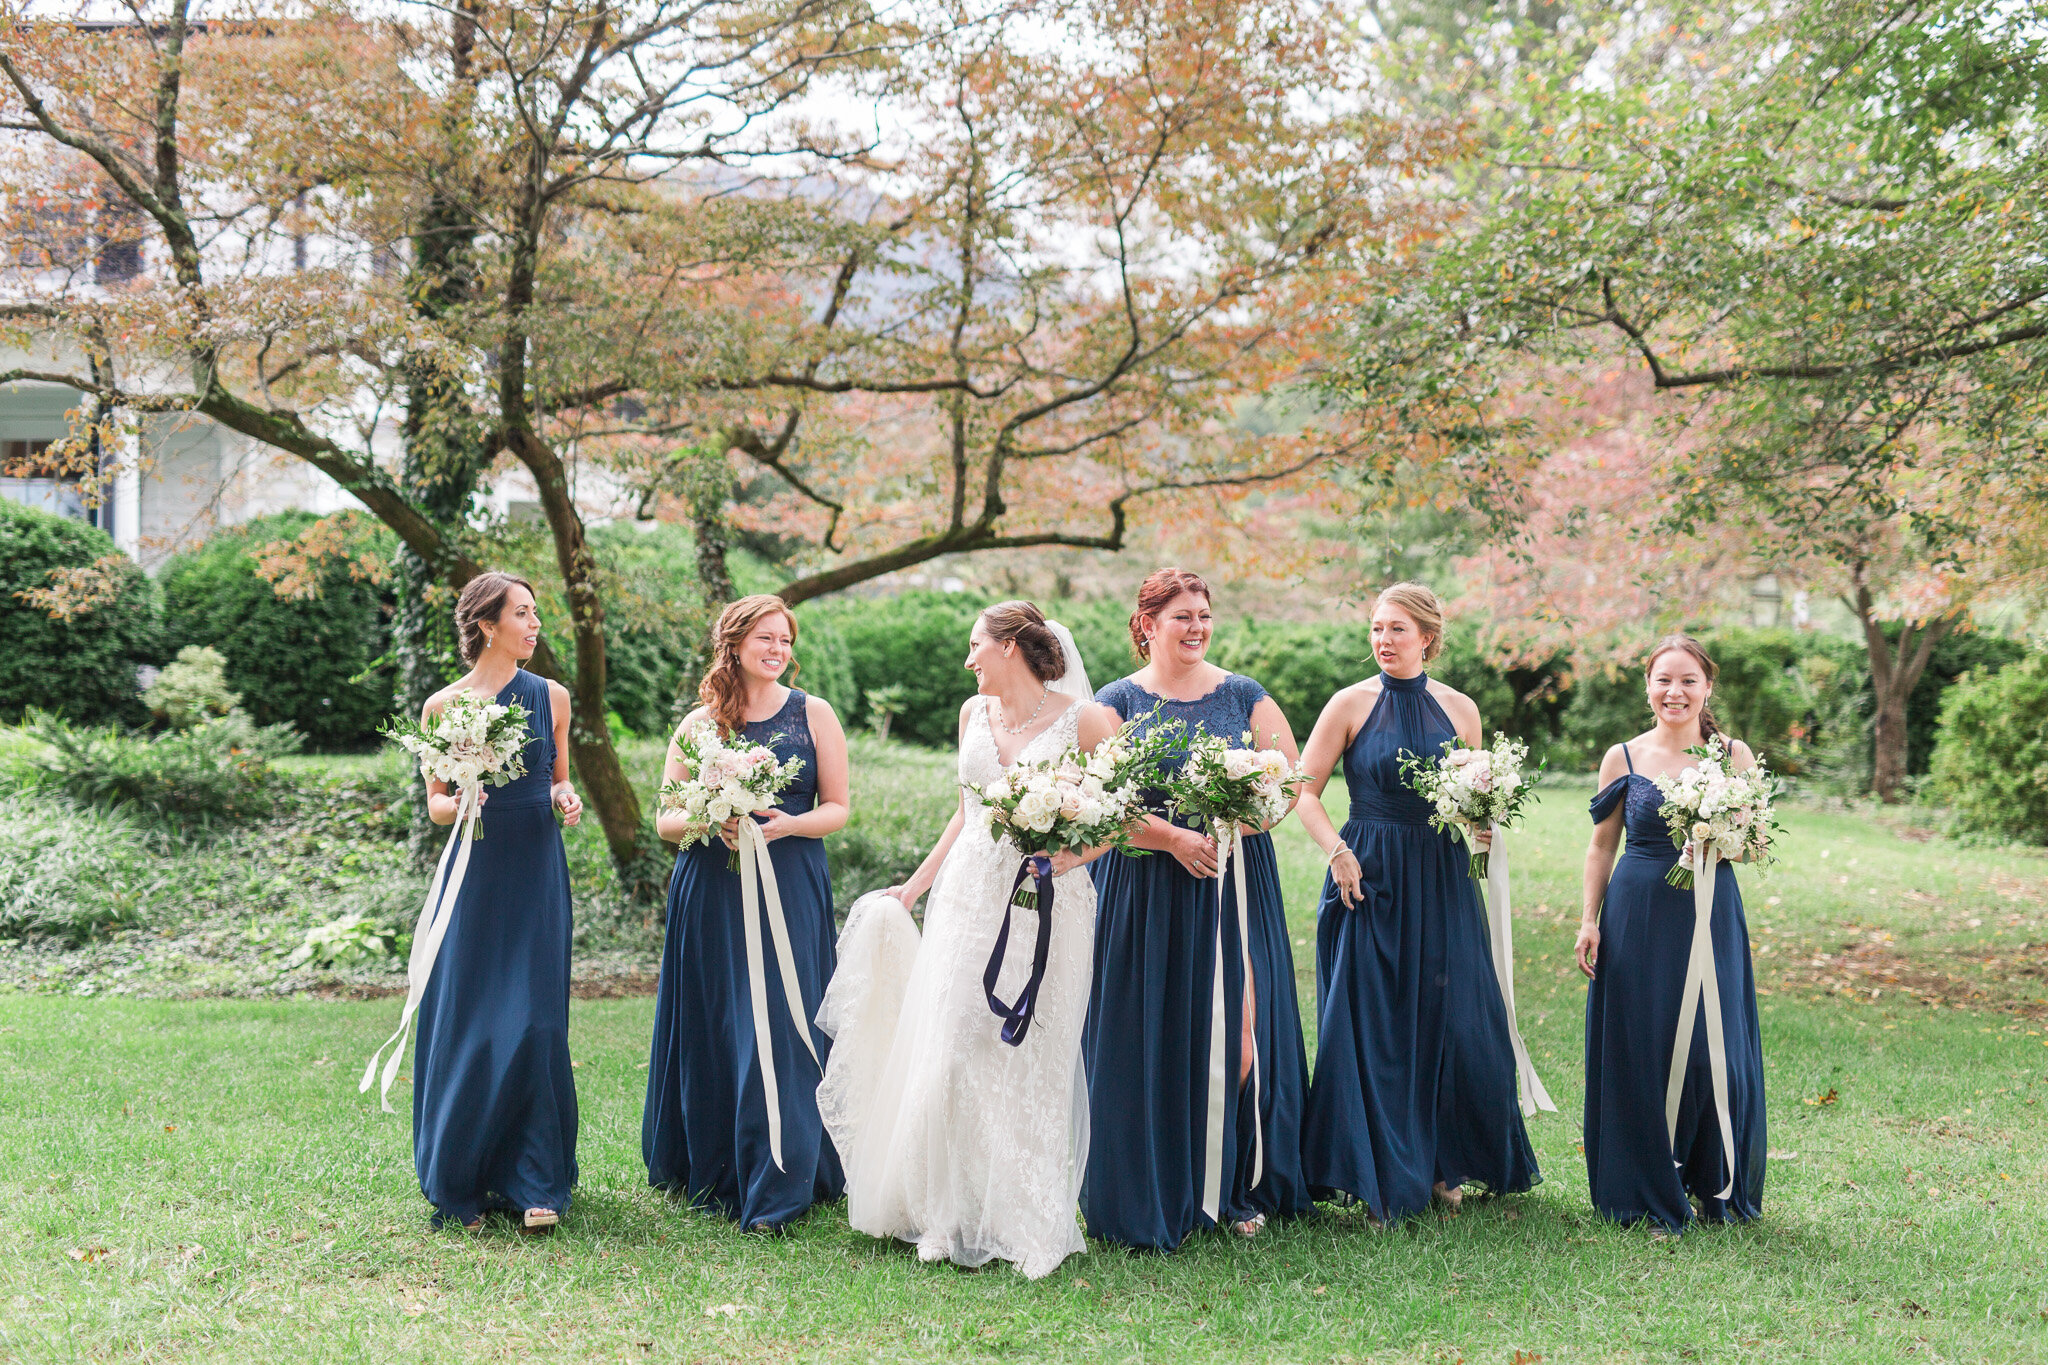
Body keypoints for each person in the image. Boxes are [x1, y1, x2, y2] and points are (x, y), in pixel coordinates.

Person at [817, 602, 1117, 1278]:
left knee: (1032, 1053)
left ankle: (1031, 1221)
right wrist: (917, 885)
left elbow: (1117, 817)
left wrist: (1069, 856)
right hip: (967, 897)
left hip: (1048, 901)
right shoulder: (969, 715)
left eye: (976, 644)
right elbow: (967, 813)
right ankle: (947, 1216)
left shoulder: (1085, 720)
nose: (967, 659)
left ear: (1012, 645)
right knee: (952, 1048)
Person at [1294, 581, 1539, 1224]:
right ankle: (1376, 1173)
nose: (1383, 641)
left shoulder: (1461, 710)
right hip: (1366, 872)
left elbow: (1471, 794)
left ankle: (1445, 1163)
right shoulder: (1348, 704)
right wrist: (1335, 852)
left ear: (1427, 637)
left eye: (1397, 630)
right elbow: (1304, 792)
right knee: (1373, 1020)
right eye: (1376, 629)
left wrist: (1483, 824)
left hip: (1440, 873)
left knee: (1455, 1017)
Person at [1082, 568, 1312, 1248]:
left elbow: (1289, 782)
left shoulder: (1244, 694)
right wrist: (1172, 837)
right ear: (1147, 623)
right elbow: (1100, 804)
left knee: (1241, 1038)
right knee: (1155, 1033)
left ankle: (1233, 1181)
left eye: (1204, 614)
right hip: (1147, 886)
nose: (1197, 627)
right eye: (1182, 615)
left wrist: (1238, 822)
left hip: (1234, 883)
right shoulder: (1115, 702)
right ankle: (1163, 1181)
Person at [642, 594, 850, 1230]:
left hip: (790, 883)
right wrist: (713, 816)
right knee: (720, 1021)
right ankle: (716, 1163)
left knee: (788, 1026)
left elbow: (837, 808)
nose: (778, 651)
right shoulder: (697, 725)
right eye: (766, 638)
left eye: (785, 641)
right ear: (734, 644)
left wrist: (785, 826)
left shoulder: (814, 713)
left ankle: (785, 1174)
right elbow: (665, 821)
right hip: (712, 890)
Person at [411, 572, 584, 1232]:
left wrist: (566, 799)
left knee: (538, 1022)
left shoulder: (553, 697)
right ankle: (464, 1177)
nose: (535, 624)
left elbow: (559, 780)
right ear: (486, 623)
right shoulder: (441, 706)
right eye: (523, 613)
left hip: (535, 865)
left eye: (537, 613)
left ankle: (537, 1178)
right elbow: (433, 801)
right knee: (472, 1019)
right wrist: (457, 800)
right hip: (472, 869)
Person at [1579, 635, 1767, 1230]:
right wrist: (1589, 919)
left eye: (1688, 680)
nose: (1674, 692)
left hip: (1711, 913)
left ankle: (1716, 1185)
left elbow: (1759, 844)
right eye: (1663, 680)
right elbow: (1602, 843)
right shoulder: (1624, 757)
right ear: (1647, 687)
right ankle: (1645, 1188)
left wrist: (1718, 837)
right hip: (1637, 913)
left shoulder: (1733, 756)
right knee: (1645, 1045)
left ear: (1707, 687)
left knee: (1720, 1050)